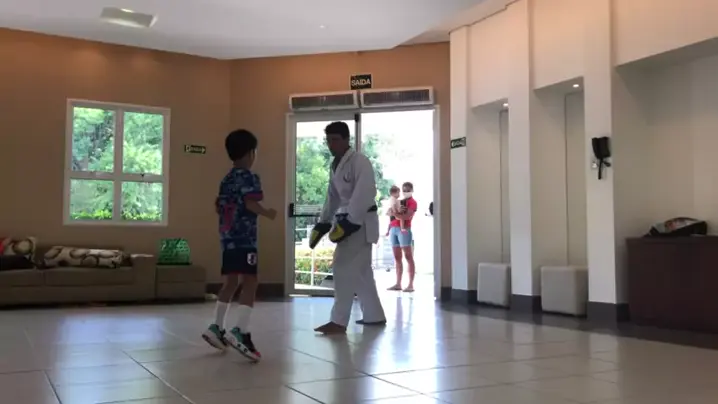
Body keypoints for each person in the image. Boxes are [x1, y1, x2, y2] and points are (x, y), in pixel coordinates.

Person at [202, 129, 277, 362]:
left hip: (227, 239)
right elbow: (250, 202)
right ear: (250, 153)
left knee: (231, 281)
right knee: (251, 281)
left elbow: (218, 205)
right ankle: (241, 331)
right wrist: (268, 213)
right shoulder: (249, 177)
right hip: (245, 239)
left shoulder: (226, 179)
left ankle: (216, 327)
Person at [309, 121, 386, 334]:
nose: (331, 144)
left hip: (359, 222)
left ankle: (338, 321)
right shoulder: (335, 165)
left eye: (335, 140)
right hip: (346, 221)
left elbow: (365, 192)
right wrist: (324, 222)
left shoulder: (360, 161)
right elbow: (332, 197)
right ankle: (374, 315)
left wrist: (351, 221)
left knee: (342, 267)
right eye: (328, 140)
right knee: (361, 272)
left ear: (346, 139)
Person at [387, 182, 417, 292]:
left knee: (408, 257)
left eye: (408, 190)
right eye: (404, 190)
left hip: (404, 230)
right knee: (397, 258)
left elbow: (406, 216)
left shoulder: (413, 202)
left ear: (412, 190)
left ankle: (410, 285)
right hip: (393, 229)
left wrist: (394, 214)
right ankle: (398, 284)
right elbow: (391, 213)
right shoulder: (399, 201)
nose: (406, 192)